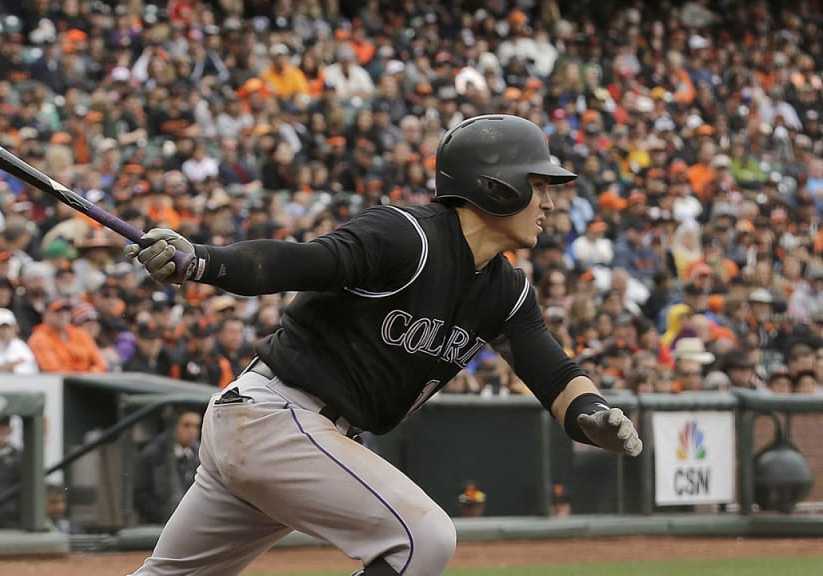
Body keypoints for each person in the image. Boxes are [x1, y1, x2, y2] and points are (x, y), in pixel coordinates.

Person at [124, 115, 643, 575]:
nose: (549, 202)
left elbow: (553, 373)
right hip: (278, 419)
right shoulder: (408, 235)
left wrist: (592, 414)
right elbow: (303, 261)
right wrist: (203, 261)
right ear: (496, 186)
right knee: (423, 539)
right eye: (538, 185)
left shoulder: (505, 291)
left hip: (281, 429)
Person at [132, 408, 202, 525]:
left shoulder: (200, 453)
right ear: (174, 426)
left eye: (196, 426)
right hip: (160, 525)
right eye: (186, 425)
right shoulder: (152, 454)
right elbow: (141, 494)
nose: (192, 431)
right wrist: (164, 518)